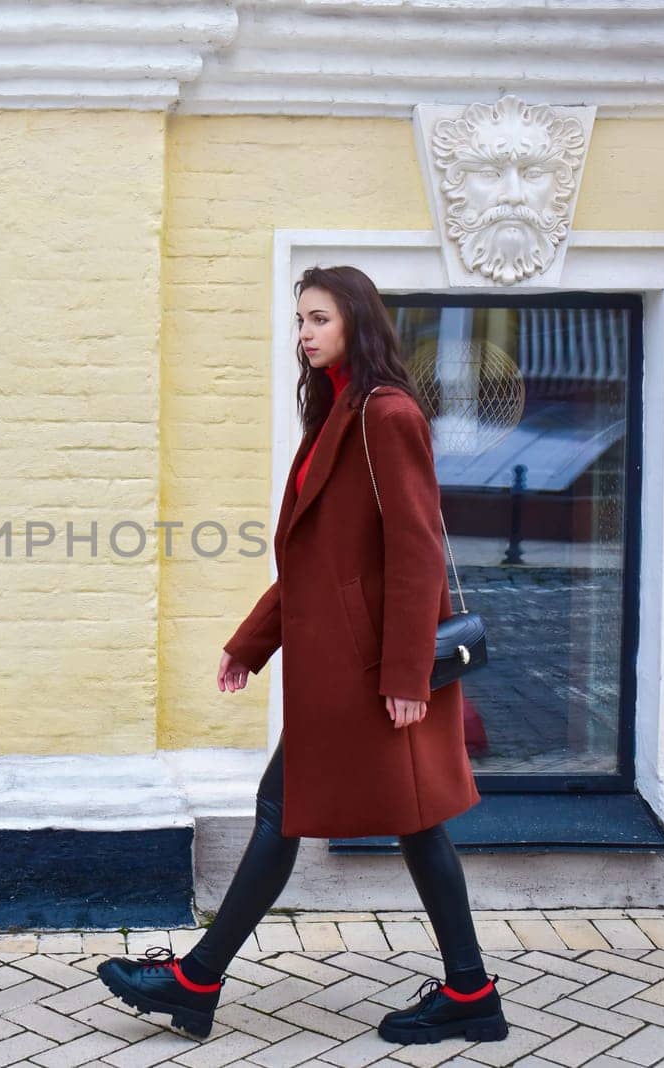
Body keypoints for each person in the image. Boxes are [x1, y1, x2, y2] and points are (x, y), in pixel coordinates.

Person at [96, 265, 509, 1046]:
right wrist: (253, 642)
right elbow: (315, 563)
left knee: (318, 814)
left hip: (374, 674)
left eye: (318, 318)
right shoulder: (338, 414)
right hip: (347, 671)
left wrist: (404, 675)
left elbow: (417, 551)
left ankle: (200, 979)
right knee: (382, 821)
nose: (304, 334)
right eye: (299, 322)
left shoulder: (384, 414)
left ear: (355, 319)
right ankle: (467, 992)